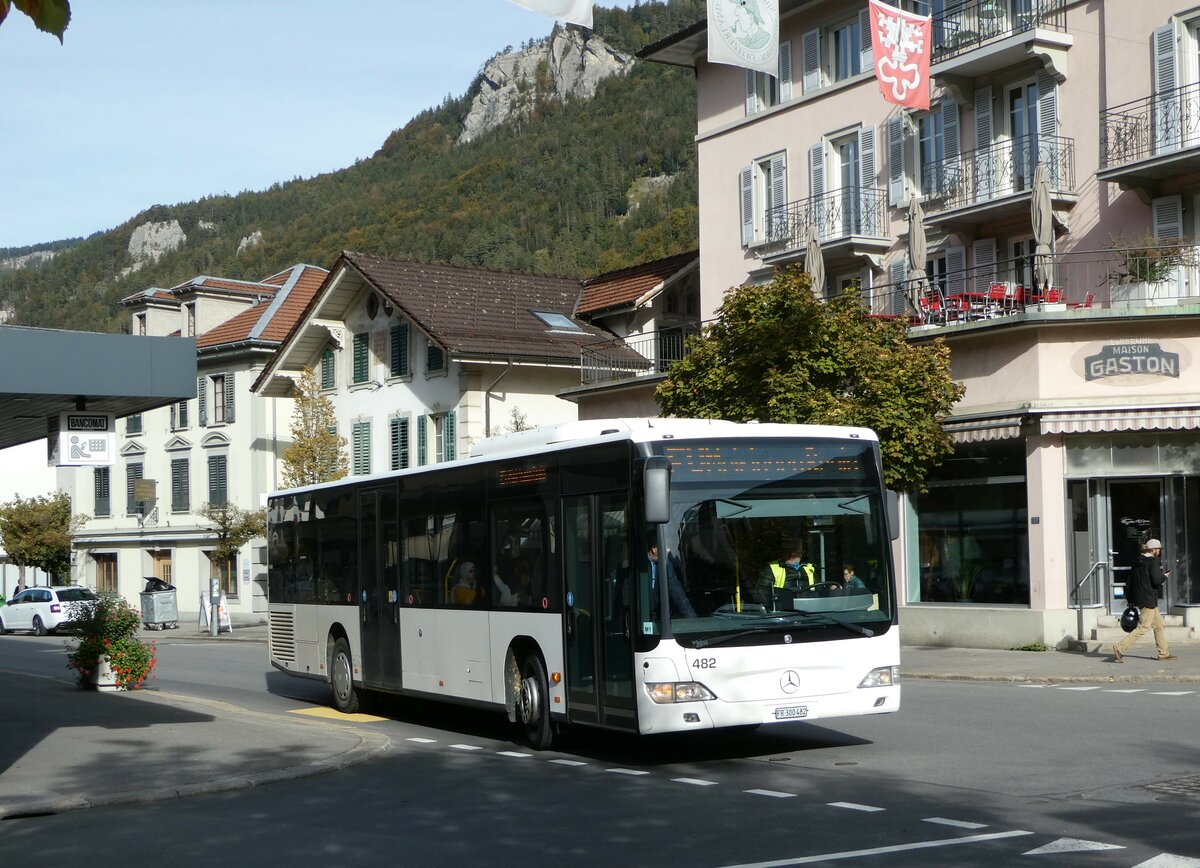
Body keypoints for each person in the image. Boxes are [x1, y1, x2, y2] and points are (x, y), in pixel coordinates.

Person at [1113, 538, 1177, 662]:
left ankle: (1163, 653)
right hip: (1149, 599)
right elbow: (1157, 581)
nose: (1159, 551)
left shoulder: (1137, 561)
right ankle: (1119, 648)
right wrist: (1164, 576)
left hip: (1142, 599)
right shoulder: (1153, 562)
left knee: (1159, 624)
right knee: (1143, 627)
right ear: (1152, 550)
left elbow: (1129, 582)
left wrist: (1130, 599)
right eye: (1158, 549)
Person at [647, 535, 697, 618]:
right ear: (654, 548)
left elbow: (676, 591)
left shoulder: (666, 563)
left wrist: (693, 619)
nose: (669, 550)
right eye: (665, 546)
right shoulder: (639, 566)